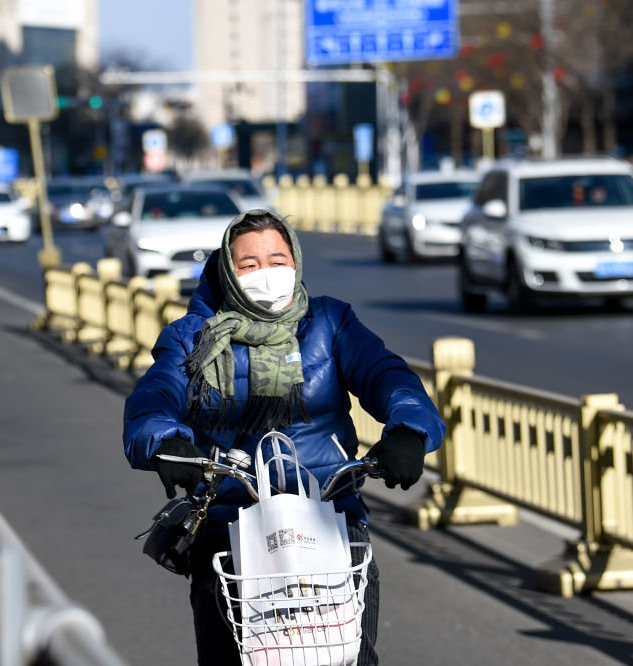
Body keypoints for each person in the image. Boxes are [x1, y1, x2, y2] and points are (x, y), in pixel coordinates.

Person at [123, 209, 446, 666]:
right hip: (230, 533)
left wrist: (409, 429)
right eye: (249, 264)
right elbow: (154, 397)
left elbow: (386, 375)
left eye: (278, 260)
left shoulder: (330, 321)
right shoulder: (191, 338)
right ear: (227, 272)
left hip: (331, 524)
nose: (267, 273)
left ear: (295, 263)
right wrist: (165, 441)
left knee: (350, 657)